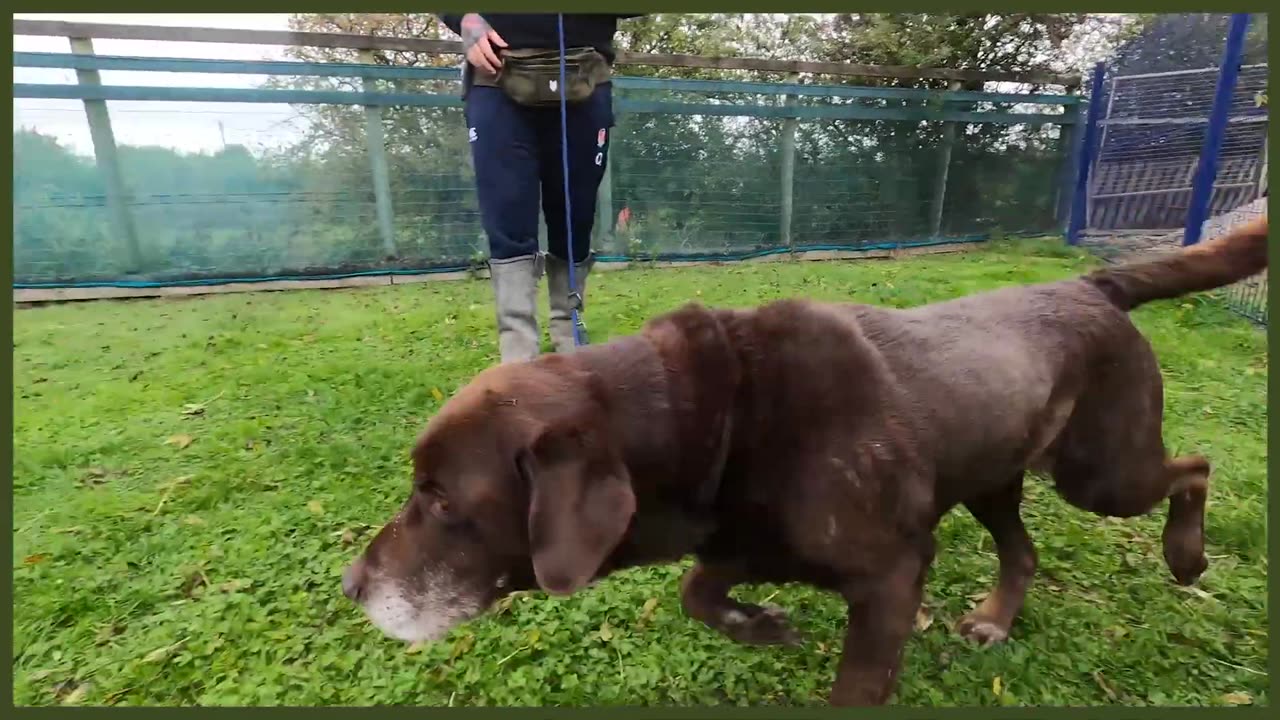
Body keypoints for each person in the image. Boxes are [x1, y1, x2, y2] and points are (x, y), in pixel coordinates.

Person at [439, 13, 643, 362]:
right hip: (496, 76)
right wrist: (464, 17)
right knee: (507, 216)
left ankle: (570, 336)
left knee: (575, 215)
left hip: (584, 75)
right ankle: (518, 357)